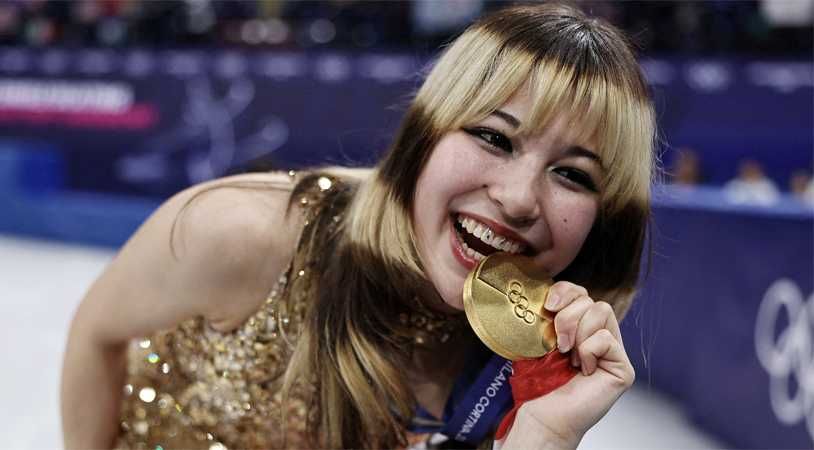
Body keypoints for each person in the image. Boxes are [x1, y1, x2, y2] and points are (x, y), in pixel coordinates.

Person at [61, 3, 655, 449]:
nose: (519, 198)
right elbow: (95, 333)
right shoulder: (245, 234)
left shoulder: (535, 360)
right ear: (424, 136)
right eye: (493, 137)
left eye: (573, 175)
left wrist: (543, 437)